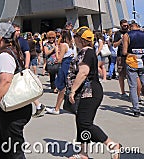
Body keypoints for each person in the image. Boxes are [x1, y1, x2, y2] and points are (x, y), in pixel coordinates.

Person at [67, 27, 121, 159]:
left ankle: (111, 144)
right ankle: (83, 153)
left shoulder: (87, 52)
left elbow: (83, 72)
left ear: (80, 39)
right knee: (81, 122)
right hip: (86, 91)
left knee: (85, 123)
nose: (74, 40)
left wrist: (72, 90)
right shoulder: (86, 52)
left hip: (89, 91)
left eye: (76, 37)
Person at [0, 23, 32, 159]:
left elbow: (6, 80)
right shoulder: (14, 49)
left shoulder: (5, 55)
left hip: (14, 110)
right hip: (14, 108)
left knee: (14, 151)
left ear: (0, 38)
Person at [46, 30, 76, 115]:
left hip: (64, 65)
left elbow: (59, 59)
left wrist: (56, 51)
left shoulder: (63, 45)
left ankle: (57, 108)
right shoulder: (72, 45)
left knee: (61, 88)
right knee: (69, 86)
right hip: (71, 65)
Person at [123, 20, 144, 117]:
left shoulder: (127, 35)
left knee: (132, 86)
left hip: (132, 62)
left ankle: (136, 109)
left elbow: (124, 52)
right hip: (143, 61)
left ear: (130, 26)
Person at [113, 19, 129, 96]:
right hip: (120, 56)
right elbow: (114, 45)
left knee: (131, 74)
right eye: (124, 25)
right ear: (121, 25)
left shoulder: (129, 32)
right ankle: (123, 91)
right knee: (121, 74)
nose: (126, 27)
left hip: (129, 55)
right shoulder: (117, 33)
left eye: (127, 25)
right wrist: (121, 40)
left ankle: (132, 91)